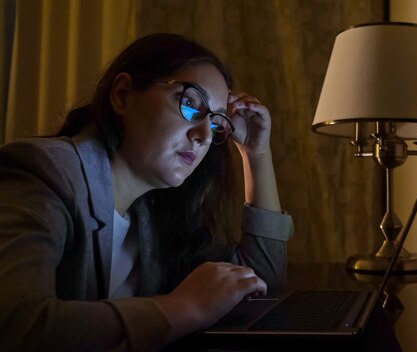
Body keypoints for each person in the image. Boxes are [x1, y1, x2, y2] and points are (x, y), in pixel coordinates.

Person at [0, 33, 293, 351]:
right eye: (191, 104)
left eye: (215, 122)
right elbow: (17, 327)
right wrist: (184, 307)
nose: (202, 135)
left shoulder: (153, 215)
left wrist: (257, 156)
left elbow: (261, 281)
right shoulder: (44, 172)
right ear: (123, 94)